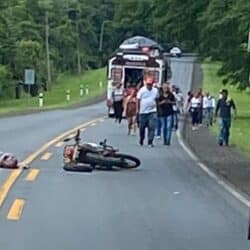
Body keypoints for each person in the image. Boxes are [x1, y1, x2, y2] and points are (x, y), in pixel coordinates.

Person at [136, 76, 159, 147]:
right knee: (141, 127)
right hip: (143, 112)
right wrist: (138, 110)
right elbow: (138, 100)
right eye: (148, 84)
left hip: (152, 111)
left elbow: (157, 99)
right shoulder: (142, 90)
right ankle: (141, 139)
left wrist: (157, 108)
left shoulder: (155, 90)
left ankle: (150, 141)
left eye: (150, 84)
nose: (149, 86)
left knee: (152, 127)